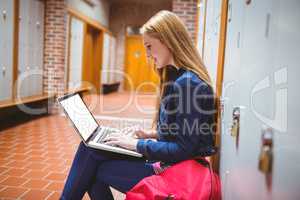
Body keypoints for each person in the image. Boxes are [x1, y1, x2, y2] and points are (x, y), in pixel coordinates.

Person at [60, 10, 217, 200]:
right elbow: (185, 134)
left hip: (175, 175)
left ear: (168, 40)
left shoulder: (188, 84)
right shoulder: (177, 78)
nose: (147, 55)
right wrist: (150, 134)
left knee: (91, 163)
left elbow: (185, 149)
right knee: (90, 150)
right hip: (167, 164)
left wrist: (137, 144)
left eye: (149, 46)